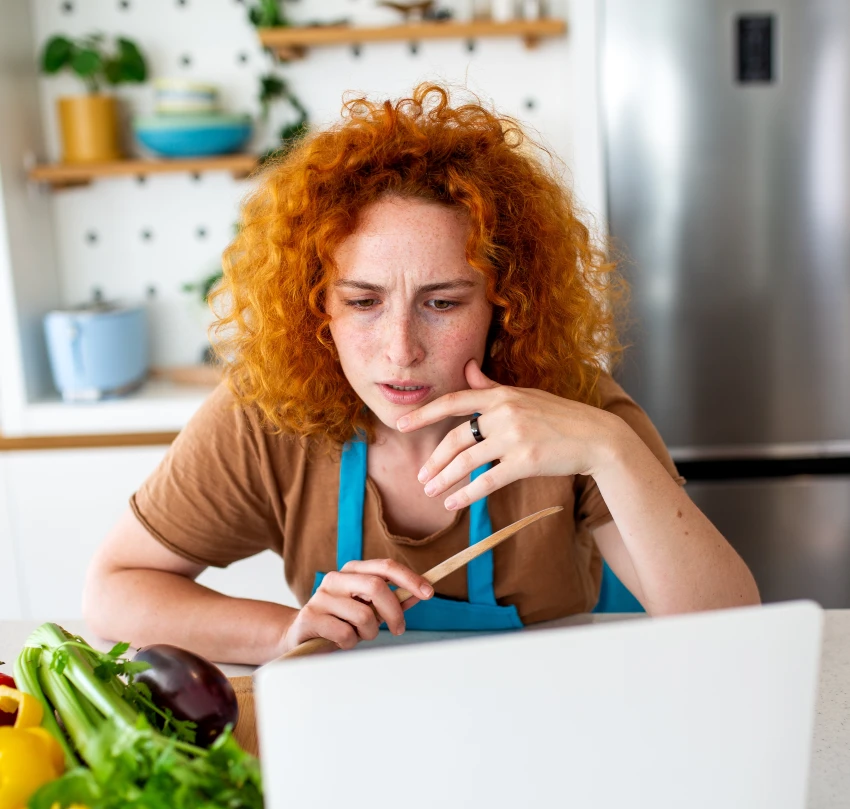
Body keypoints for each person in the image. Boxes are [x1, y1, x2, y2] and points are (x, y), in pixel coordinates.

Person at [82, 84, 760, 664]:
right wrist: (285, 631)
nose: (400, 349)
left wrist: (611, 449)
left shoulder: (569, 406)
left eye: (442, 303)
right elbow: (113, 590)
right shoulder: (265, 417)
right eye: (363, 302)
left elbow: (731, 636)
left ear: (504, 301)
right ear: (316, 304)